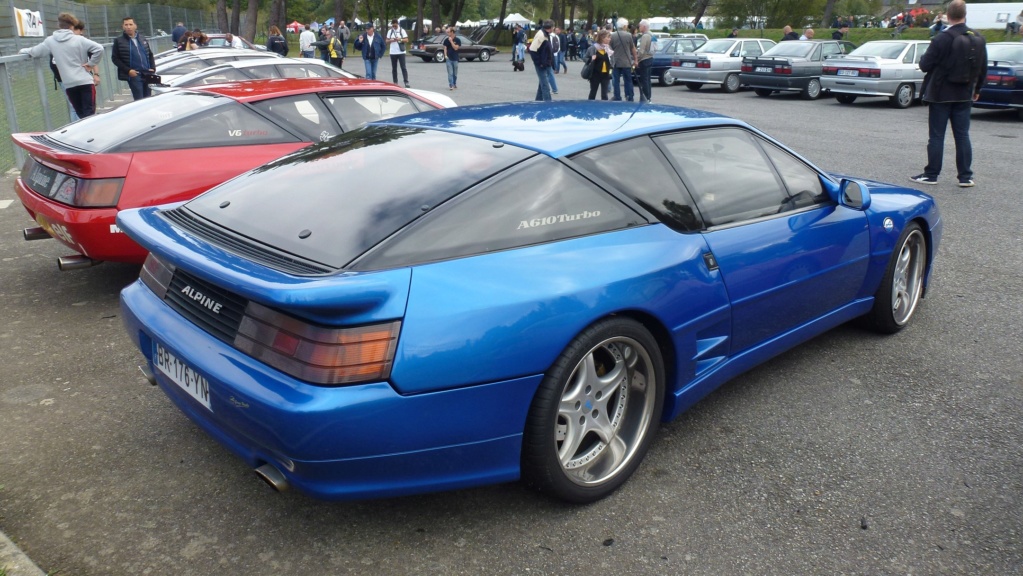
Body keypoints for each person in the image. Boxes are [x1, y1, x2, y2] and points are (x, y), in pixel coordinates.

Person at [911, 0, 986, 188]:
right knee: (962, 135)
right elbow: (982, 68)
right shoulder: (977, 38)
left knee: (936, 136)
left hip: (941, 93)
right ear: (965, 15)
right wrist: (977, 90)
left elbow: (924, 65)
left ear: (948, 15)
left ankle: (931, 174)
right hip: (965, 93)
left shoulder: (942, 38)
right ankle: (965, 176)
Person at [20, 12, 103, 118]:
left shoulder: (50, 41)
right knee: (90, 114)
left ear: (58, 25)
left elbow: (36, 51)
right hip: (85, 81)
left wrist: (23, 50)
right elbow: (99, 48)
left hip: (69, 83)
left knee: (80, 114)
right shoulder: (79, 39)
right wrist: (91, 64)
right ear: (72, 26)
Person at [111, 17, 155, 101]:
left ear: (135, 26)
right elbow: (115, 58)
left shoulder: (142, 38)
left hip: (147, 73)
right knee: (139, 99)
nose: (128, 27)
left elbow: (150, 54)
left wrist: (153, 68)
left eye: (130, 24)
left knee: (148, 98)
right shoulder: (118, 41)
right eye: (126, 25)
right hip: (134, 75)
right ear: (123, 27)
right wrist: (128, 70)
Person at [608, 18, 637, 102]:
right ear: (624, 26)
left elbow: (609, 48)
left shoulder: (613, 35)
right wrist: (635, 60)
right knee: (628, 80)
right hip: (626, 62)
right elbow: (633, 48)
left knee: (615, 81)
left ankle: (617, 96)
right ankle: (629, 96)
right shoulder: (628, 35)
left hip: (615, 62)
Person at [529, 20, 554, 101]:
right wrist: (539, 63)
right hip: (542, 64)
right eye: (553, 27)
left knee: (542, 84)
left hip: (545, 63)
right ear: (550, 28)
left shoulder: (545, 34)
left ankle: (537, 101)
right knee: (545, 85)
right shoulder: (541, 35)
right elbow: (532, 50)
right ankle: (548, 104)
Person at [584, 29, 612, 100]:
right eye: (608, 37)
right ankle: (590, 107)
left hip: (606, 74)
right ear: (602, 38)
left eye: (609, 37)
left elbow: (612, 60)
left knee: (604, 94)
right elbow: (585, 58)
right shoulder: (593, 48)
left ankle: (604, 109)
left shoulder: (608, 48)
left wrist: (612, 65)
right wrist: (591, 59)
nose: (609, 39)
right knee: (593, 92)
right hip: (595, 74)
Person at [387, 19, 410, 87]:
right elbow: (386, 40)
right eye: (393, 25)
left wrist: (400, 39)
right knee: (394, 68)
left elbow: (406, 40)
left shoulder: (401, 30)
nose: (394, 27)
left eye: (395, 25)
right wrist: (392, 40)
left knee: (403, 67)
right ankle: (395, 82)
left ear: (397, 24)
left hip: (401, 52)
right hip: (393, 52)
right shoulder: (390, 31)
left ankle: (406, 81)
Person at [636, 19, 654, 103]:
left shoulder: (645, 36)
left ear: (644, 26)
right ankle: (649, 97)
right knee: (648, 80)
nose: (639, 27)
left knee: (644, 80)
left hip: (644, 59)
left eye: (640, 26)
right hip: (650, 58)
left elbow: (641, 50)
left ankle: (645, 97)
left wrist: (637, 59)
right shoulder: (652, 35)